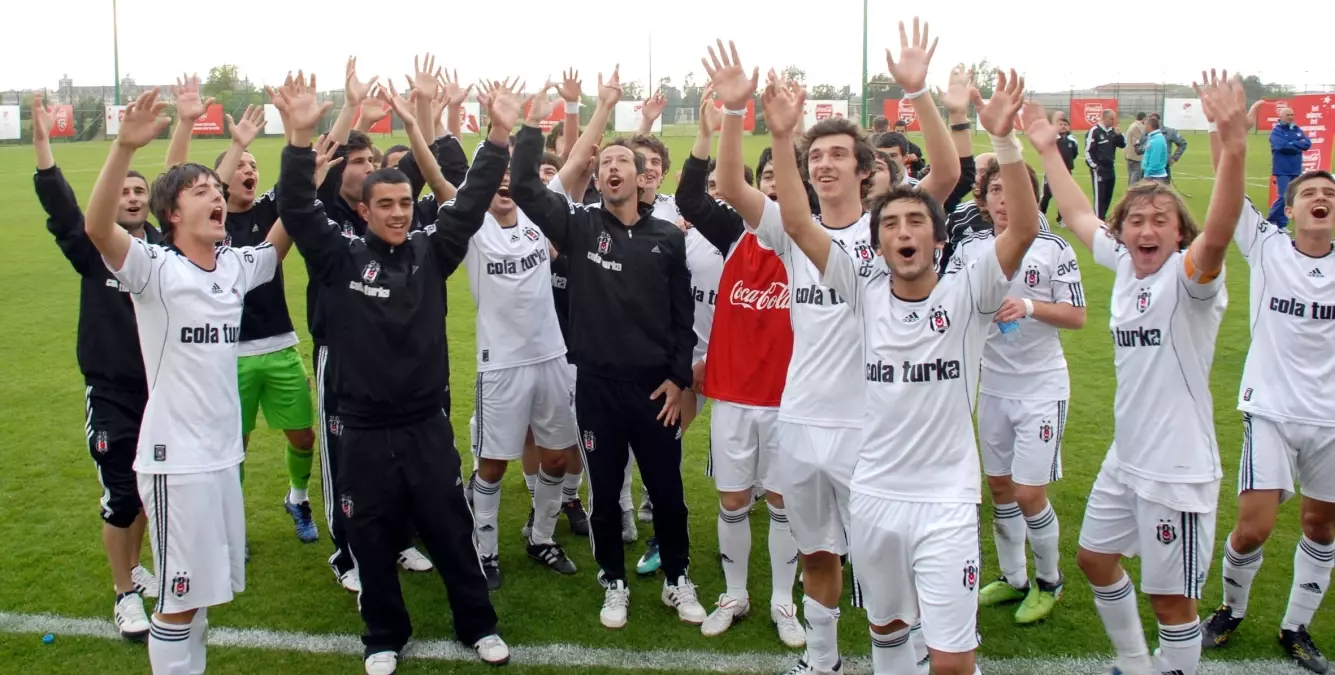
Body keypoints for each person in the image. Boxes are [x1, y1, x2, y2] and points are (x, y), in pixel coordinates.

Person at [771, 57, 1038, 675]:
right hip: (873, 496)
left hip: (945, 501)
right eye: (890, 224)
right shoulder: (861, 291)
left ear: (938, 239)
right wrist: (783, 137)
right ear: (877, 243)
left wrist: (1002, 136)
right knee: (887, 631)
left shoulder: (969, 292)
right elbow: (794, 220)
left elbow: (1021, 226)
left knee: (950, 660)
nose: (903, 231)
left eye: (917, 220)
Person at [709, 32, 960, 675]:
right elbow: (733, 185)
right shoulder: (794, 226)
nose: (822, 164)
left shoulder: (890, 226)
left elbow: (950, 172)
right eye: (813, 155)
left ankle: (903, 654)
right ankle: (821, 661)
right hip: (801, 419)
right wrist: (741, 114)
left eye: (836, 155)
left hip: (869, 428)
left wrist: (918, 92)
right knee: (817, 553)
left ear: (865, 169)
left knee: (882, 564)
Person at [273, 70, 512, 674]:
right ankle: (383, 636)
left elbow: (474, 196)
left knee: (451, 531)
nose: (400, 214)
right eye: (387, 204)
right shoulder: (339, 256)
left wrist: (500, 134)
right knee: (370, 537)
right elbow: (298, 207)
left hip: (425, 425)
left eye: (406, 203)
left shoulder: (432, 252)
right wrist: (299, 140)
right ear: (363, 209)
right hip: (361, 427)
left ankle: (477, 626)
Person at [1040, 72, 1248, 675]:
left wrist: (1231, 148)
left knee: (1171, 599)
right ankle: (1136, 665)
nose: (1147, 229)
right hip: (1125, 457)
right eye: (1136, 220)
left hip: (1175, 469)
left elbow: (1220, 233)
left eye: (1161, 220)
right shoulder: (1129, 268)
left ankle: (1173, 668)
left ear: (1179, 232)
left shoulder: (1190, 280)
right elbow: (1080, 215)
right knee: (1095, 559)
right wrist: (1048, 149)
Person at [85, 87, 291, 675]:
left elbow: (282, 237)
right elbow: (99, 228)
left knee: (199, 598)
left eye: (217, 192)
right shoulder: (154, 269)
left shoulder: (233, 266)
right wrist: (125, 148)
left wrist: (301, 151)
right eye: (202, 192)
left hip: (221, 457)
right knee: (178, 602)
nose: (217, 199)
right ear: (172, 214)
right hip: (177, 461)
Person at [509, 73, 709, 631]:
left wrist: (678, 379)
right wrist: (530, 125)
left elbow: (681, 319)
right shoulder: (578, 226)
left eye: (624, 160)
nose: (614, 168)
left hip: (654, 391)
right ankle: (614, 582)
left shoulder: (667, 237)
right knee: (604, 492)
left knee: (668, 492)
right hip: (596, 386)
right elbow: (526, 188)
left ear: (643, 177)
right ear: (598, 176)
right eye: (605, 163)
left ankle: (676, 579)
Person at [1197, 102, 1335, 672]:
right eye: (1309, 192)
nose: (1321, 197)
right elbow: (1228, 196)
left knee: (1320, 524)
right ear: (1293, 205)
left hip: (1330, 419)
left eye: (1329, 192)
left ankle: (1296, 626)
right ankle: (1231, 609)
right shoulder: (1267, 247)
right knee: (1253, 528)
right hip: (1271, 410)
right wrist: (1221, 132)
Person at [674, 88, 804, 648]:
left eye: (784, 174)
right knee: (732, 501)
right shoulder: (734, 233)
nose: (774, 183)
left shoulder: (811, 241)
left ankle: (782, 599)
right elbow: (692, 196)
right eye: (767, 175)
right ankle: (735, 593)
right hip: (731, 395)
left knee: (781, 503)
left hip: (790, 399)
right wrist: (711, 130)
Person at [31, 93, 159, 640]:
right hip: (111, 393)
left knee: (149, 491)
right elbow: (62, 209)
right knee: (122, 493)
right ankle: (124, 594)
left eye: (139, 190)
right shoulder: (95, 250)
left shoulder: (166, 253)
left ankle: (133, 567)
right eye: (123, 190)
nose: (131, 196)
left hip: (163, 390)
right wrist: (42, 146)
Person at [958, 156, 1087, 626]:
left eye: (1014, 192)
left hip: (1041, 388)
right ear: (986, 199)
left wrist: (1029, 306)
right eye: (995, 191)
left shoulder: (1053, 248)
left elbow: (1076, 316)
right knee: (999, 487)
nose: (1004, 200)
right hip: (991, 385)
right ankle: (1013, 579)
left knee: (1030, 491)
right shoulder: (971, 248)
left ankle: (1049, 580)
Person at [1269, 107, 1312, 228]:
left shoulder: (1297, 129)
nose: (1291, 116)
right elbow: (1280, 146)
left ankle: (1281, 224)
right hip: (1282, 169)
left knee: (1290, 197)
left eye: (1292, 114)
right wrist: (1297, 145)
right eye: (1288, 114)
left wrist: (1291, 144)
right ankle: (1271, 220)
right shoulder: (1276, 131)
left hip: (1295, 168)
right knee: (1283, 196)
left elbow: (1307, 144)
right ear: (1281, 117)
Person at [1084, 109, 1126, 221]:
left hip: (1110, 167)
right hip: (1099, 169)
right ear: (1105, 118)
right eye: (1112, 118)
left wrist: (1119, 135)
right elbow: (1088, 151)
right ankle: (1098, 221)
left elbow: (1123, 145)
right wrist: (1094, 166)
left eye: (1114, 118)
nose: (1114, 121)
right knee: (1100, 197)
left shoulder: (1113, 131)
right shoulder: (1095, 131)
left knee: (1108, 195)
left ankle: (1102, 219)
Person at [1039, 111, 1079, 225]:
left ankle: (1061, 219)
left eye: (1065, 125)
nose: (1063, 126)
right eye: (1060, 124)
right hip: (1051, 171)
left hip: (1066, 172)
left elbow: (1074, 154)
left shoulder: (1072, 140)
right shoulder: (1052, 139)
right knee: (1047, 195)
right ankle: (1040, 217)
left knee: (1065, 197)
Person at [1140, 115, 1170, 184]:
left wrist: (1147, 174)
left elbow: (1155, 160)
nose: (1144, 127)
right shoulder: (1152, 137)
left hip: (1155, 176)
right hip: (1152, 175)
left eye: (1145, 125)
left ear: (1150, 126)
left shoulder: (1157, 140)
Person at [1125, 112, 1147, 184]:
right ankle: (1133, 193)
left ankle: (1130, 193)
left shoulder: (1132, 125)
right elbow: (1137, 141)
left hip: (1129, 154)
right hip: (1135, 156)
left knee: (1131, 176)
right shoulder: (1137, 127)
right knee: (1135, 178)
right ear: (1143, 118)